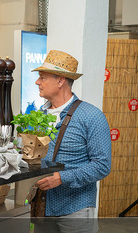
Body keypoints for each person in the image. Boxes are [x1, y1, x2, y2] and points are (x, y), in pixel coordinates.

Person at [32, 50, 111, 232]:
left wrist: (62, 178)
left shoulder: (92, 116)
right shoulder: (38, 116)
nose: (37, 82)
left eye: (42, 77)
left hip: (77, 209)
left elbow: (102, 165)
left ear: (60, 81)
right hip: (43, 208)